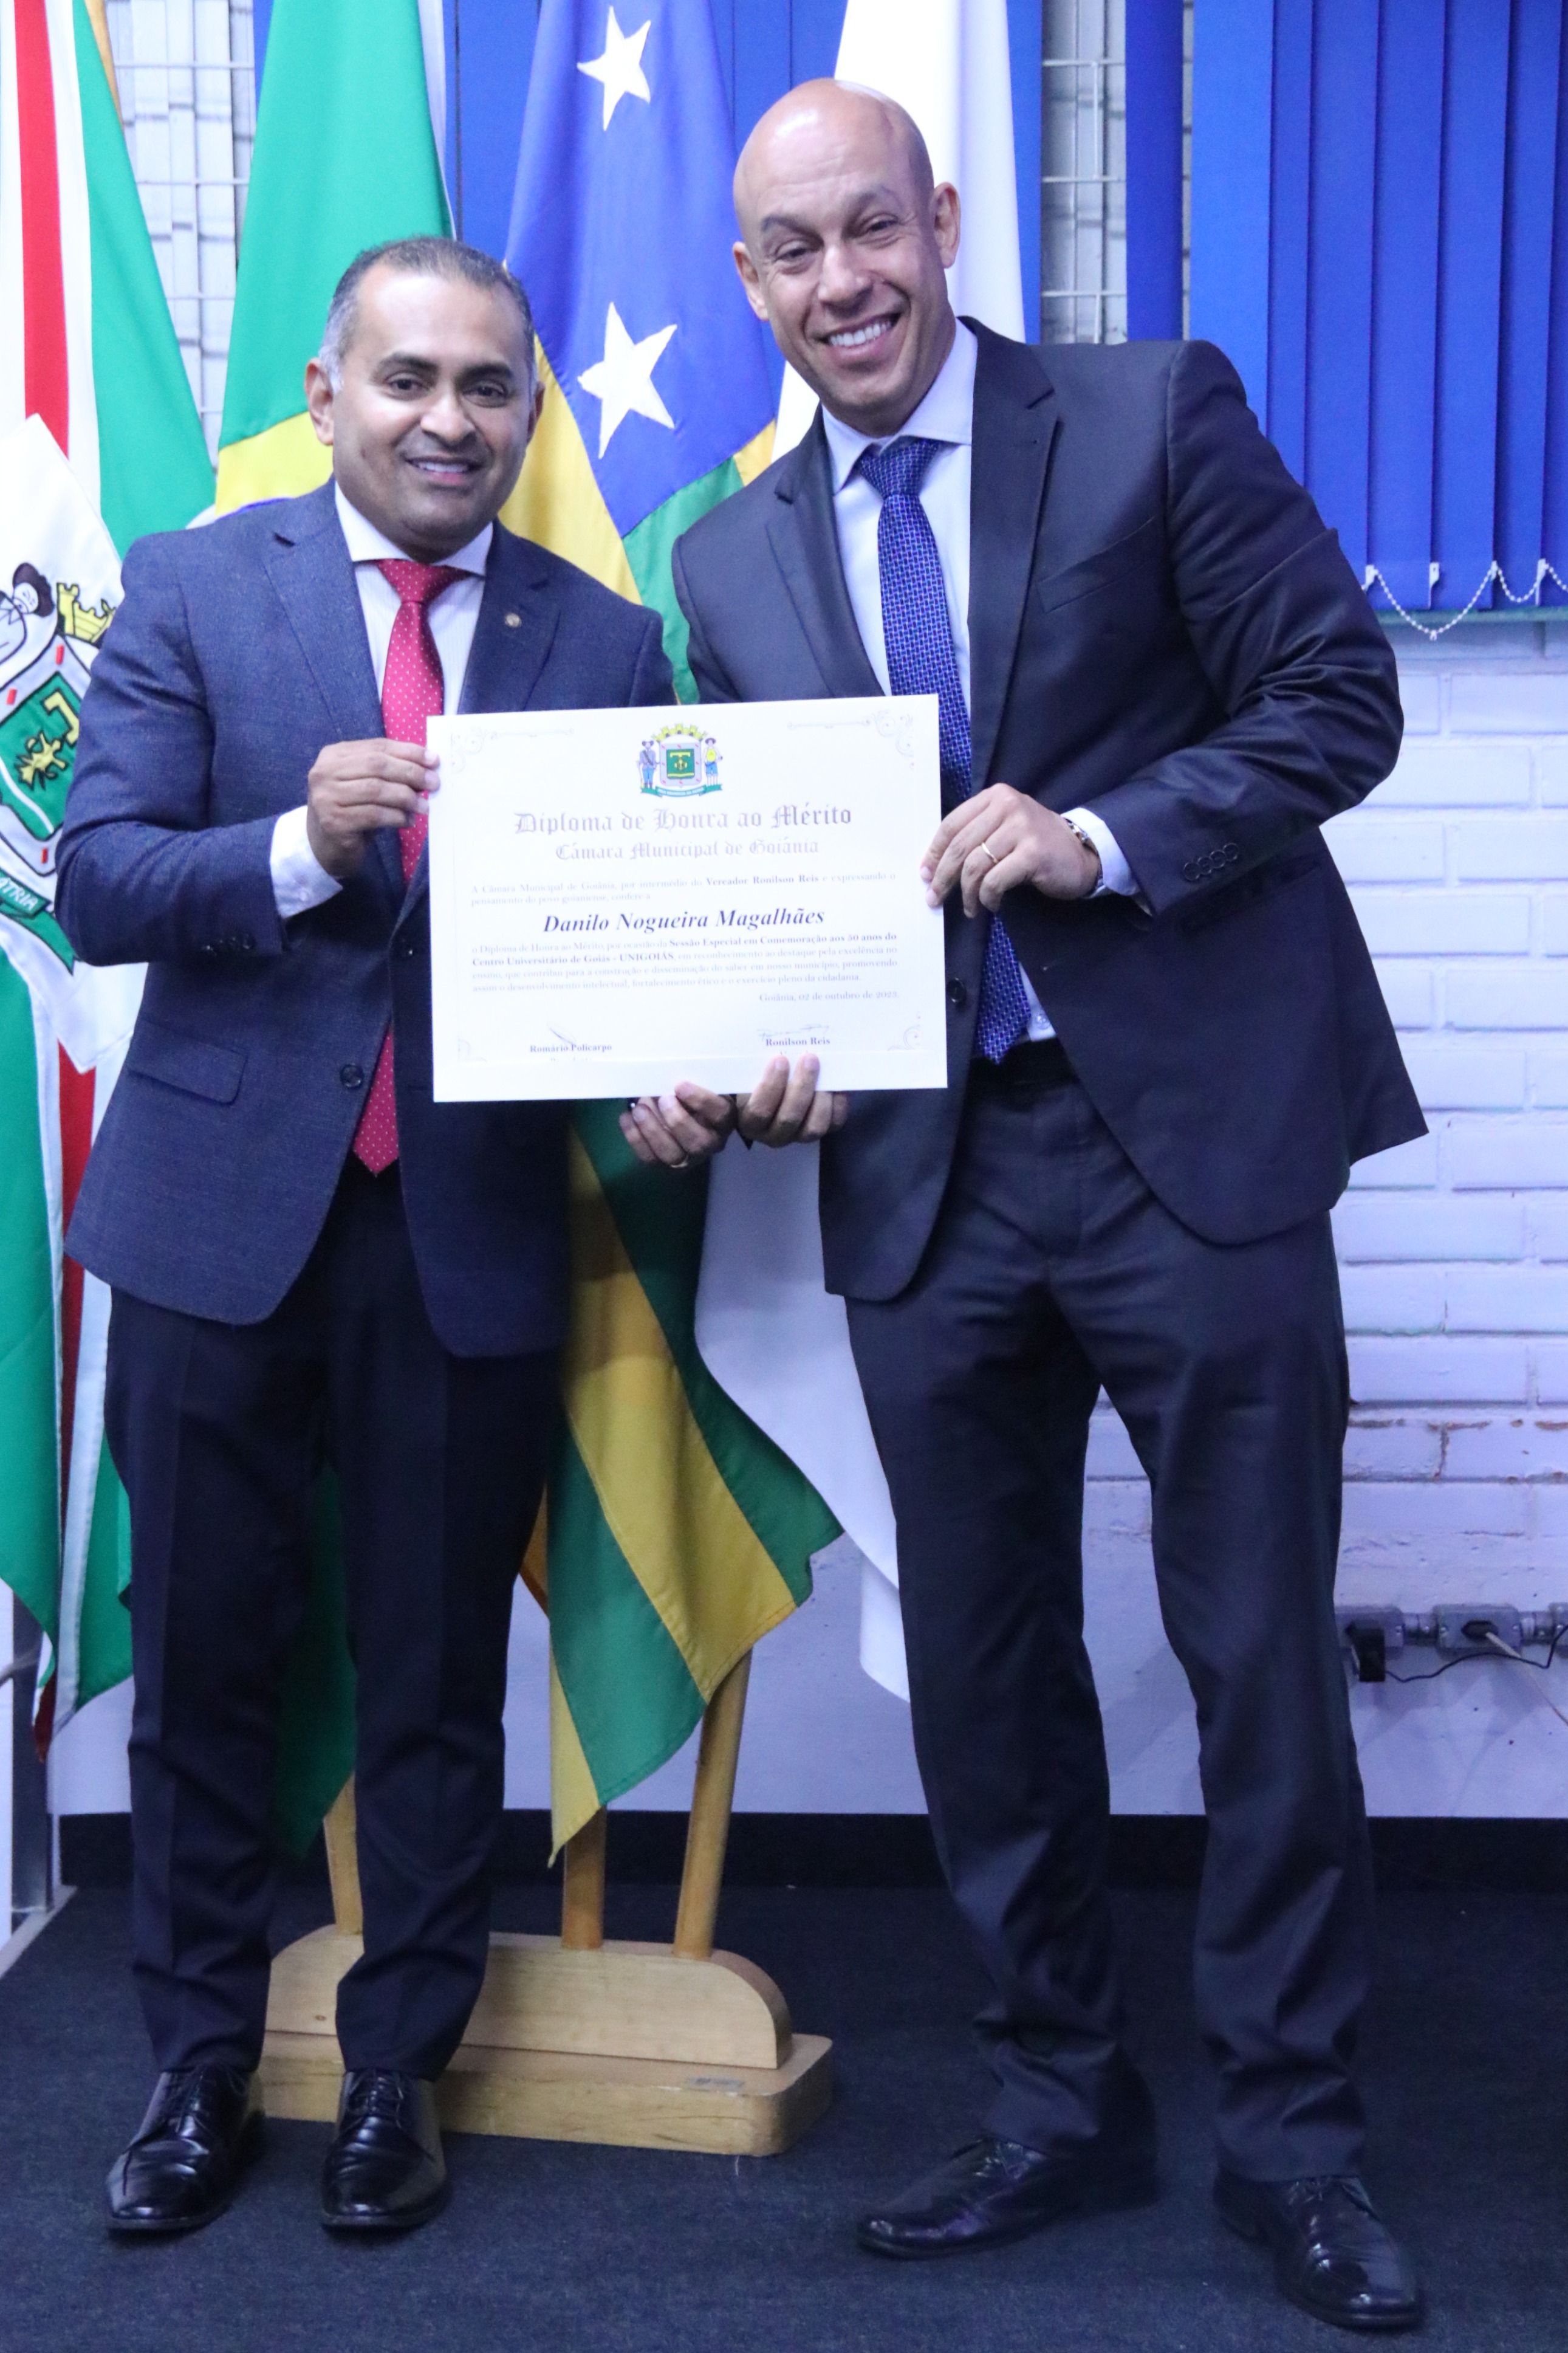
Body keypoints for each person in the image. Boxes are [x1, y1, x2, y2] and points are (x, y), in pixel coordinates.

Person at [663, 82, 1427, 2334]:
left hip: (1194, 1137)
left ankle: (1295, 2148)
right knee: (987, 1676)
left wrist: (1102, 839)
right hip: (927, 1174)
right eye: (795, 251)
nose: (844, 284)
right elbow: (758, 887)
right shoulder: (724, 558)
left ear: (943, 219)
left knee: (1256, 1659)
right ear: (749, 284)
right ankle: (1060, 2099)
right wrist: (733, 1050)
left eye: (873, 230)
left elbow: (1340, 701)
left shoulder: (1151, 410)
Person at [58, 236, 732, 2240]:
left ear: (528, 410)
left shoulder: (603, 638)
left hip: (468, 1234)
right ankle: (196, 2072)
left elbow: (634, 946)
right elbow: (98, 875)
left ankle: (393, 2081)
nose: (451, 419)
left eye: (489, 386)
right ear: (329, 392)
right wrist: (298, 838)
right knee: (206, 1668)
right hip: (215, 1228)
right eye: (410, 379)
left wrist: (672, 1079)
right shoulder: (196, 585)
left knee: (437, 1683)